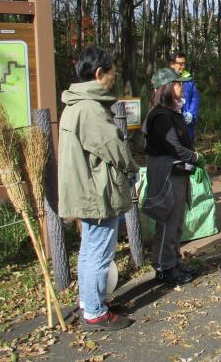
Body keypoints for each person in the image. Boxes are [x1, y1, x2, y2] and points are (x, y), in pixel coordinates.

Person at [58, 46, 139, 331]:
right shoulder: (90, 109)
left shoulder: (74, 103)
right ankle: (94, 312)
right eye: (112, 71)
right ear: (98, 74)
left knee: (90, 249)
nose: (115, 76)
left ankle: (90, 302)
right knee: (99, 252)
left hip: (87, 188)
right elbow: (113, 148)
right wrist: (133, 169)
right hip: (97, 191)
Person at [143, 68, 204, 284]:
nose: (182, 87)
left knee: (176, 220)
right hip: (167, 171)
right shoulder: (160, 116)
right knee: (168, 220)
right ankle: (164, 267)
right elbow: (175, 147)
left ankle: (173, 261)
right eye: (178, 84)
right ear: (167, 88)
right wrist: (196, 157)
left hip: (177, 170)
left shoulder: (171, 113)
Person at [169, 51, 199, 142]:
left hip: (187, 123)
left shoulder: (188, 79)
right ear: (172, 64)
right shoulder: (166, 79)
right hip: (172, 123)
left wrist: (192, 113)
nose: (183, 66)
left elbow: (195, 98)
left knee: (188, 147)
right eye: (180, 64)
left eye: (184, 63)